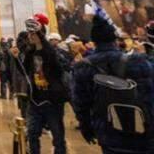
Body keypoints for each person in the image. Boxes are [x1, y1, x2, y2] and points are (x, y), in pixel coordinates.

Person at [71, 13, 154, 154]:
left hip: (108, 132)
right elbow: (149, 93)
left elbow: (80, 104)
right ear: (115, 40)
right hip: (143, 130)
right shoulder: (138, 61)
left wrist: (86, 128)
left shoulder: (82, 67)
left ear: (94, 41)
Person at [12, 13, 69, 154]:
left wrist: (39, 33)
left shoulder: (51, 52)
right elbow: (25, 71)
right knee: (32, 134)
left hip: (52, 101)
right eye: (29, 34)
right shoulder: (30, 52)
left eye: (33, 34)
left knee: (58, 137)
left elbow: (57, 66)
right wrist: (16, 58)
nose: (29, 36)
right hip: (35, 100)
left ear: (40, 34)